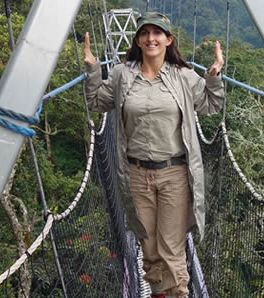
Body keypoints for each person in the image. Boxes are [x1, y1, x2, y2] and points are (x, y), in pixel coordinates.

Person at [83, 12, 225, 298]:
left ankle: (177, 294)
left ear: (168, 39)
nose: (151, 38)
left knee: (171, 247)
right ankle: (159, 293)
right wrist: (93, 70)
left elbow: (211, 105)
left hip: (174, 173)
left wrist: (213, 77)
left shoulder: (183, 77)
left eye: (157, 33)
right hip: (135, 174)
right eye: (145, 33)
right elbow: (98, 102)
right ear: (137, 39)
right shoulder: (123, 75)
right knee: (148, 245)